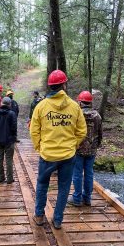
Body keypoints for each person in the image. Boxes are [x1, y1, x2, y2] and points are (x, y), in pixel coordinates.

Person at [30, 70, 87, 229]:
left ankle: (39, 216)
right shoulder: (75, 106)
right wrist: (73, 145)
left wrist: (39, 147)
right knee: (64, 187)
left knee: (42, 184)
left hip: (48, 155)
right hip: (68, 156)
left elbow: (34, 131)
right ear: (63, 84)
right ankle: (57, 220)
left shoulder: (41, 106)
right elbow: (82, 131)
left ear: (50, 86)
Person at [68, 91, 102, 207]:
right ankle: (87, 198)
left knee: (77, 174)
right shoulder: (97, 115)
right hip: (92, 149)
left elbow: (71, 131)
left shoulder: (77, 114)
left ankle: (77, 199)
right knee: (89, 173)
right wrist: (97, 145)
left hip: (78, 149)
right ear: (90, 102)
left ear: (81, 102)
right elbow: (100, 132)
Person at [0, 97, 17, 184]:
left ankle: (1, 178)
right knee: (9, 160)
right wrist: (14, 137)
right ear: (9, 104)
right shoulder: (12, 114)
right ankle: (9, 179)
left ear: (1, 103)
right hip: (9, 140)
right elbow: (14, 127)